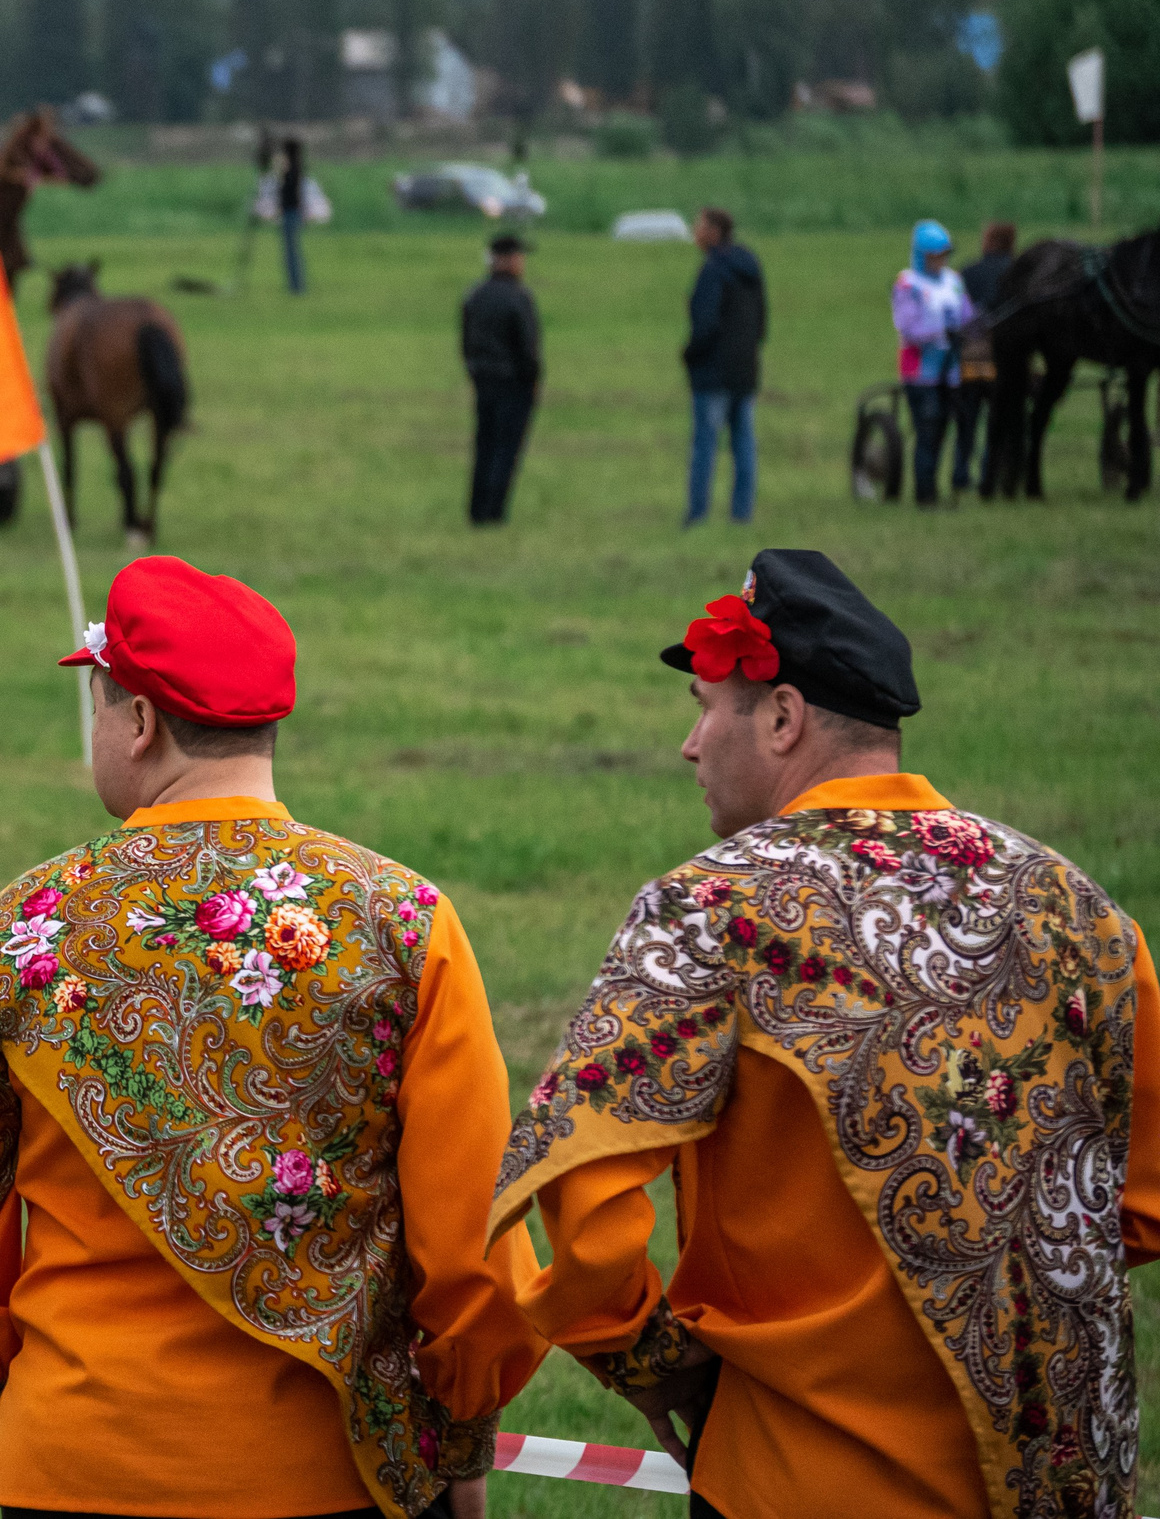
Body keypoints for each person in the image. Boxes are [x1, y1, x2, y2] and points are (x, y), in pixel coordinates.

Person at [0, 556, 546, 1519]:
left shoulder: (30, 924)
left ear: (139, 721)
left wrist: (22, 1402)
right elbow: (475, 1242)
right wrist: (459, 1437)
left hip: (71, 1458)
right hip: (329, 1475)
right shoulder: (403, 921)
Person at [495, 547, 1160, 1519]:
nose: (689, 745)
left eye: (704, 708)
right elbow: (1138, 1204)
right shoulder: (1074, 903)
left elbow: (585, 1197)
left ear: (781, 717)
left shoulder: (713, 908)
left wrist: (649, 1358)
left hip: (799, 1474)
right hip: (1060, 1480)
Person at [681, 208, 767, 527]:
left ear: (714, 231)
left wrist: (689, 354)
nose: (695, 231)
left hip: (713, 371)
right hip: (745, 369)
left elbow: (705, 324)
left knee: (705, 443)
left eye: (699, 225)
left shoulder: (713, 270)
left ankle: (697, 514)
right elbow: (761, 321)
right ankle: (741, 514)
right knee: (743, 442)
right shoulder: (750, 266)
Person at [460, 233, 542, 526]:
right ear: (508, 260)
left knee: (485, 445)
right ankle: (494, 512)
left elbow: (466, 342)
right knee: (506, 449)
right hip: (514, 382)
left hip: (483, 380)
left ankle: (476, 509)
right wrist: (532, 380)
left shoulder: (475, 295)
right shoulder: (519, 297)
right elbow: (527, 346)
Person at [892, 220, 974, 508]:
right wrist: (940, 332)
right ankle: (925, 495)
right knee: (927, 431)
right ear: (921, 255)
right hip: (920, 373)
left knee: (943, 431)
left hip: (950, 371)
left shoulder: (954, 281)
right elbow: (907, 326)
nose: (941, 260)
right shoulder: (908, 284)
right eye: (935, 256)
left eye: (944, 254)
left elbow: (967, 315)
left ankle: (938, 488)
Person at [954, 222, 1019, 498]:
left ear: (989, 241)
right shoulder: (1019, 273)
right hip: (1004, 363)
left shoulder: (967, 272)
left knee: (966, 423)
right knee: (998, 423)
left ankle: (960, 473)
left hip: (968, 362)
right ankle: (989, 472)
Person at [277, 137, 309, 298]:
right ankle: (296, 285)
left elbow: (286, 192)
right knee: (292, 251)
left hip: (290, 213)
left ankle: (296, 286)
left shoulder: (291, 170)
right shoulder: (297, 168)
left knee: (291, 252)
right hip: (293, 212)